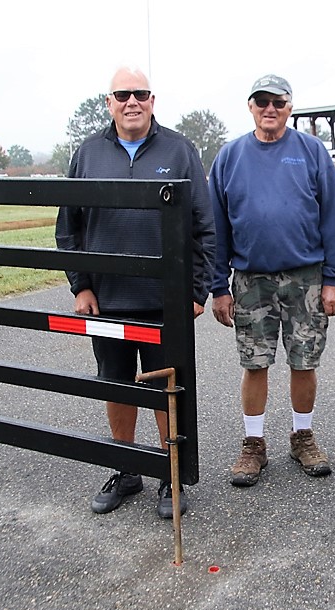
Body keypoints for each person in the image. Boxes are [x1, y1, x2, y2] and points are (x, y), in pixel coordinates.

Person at [55, 66, 215, 519]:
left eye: (140, 94)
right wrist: (81, 285)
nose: (132, 101)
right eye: (122, 94)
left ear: (152, 99)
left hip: (166, 301)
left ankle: (171, 473)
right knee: (116, 384)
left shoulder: (180, 150)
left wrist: (197, 290)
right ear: (108, 102)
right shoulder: (87, 154)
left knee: (167, 386)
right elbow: (70, 227)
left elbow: (204, 227)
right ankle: (126, 469)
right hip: (108, 300)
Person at [209, 74, 335, 488]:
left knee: (304, 360)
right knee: (255, 362)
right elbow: (216, 226)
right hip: (251, 279)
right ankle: (254, 444)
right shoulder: (230, 156)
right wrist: (218, 286)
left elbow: (332, 217)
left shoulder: (311, 152)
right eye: (262, 101)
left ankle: (302, 435)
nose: (270, 109)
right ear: (250, 106)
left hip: (306, 276)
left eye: (279, 102)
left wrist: (333, 279)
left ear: (290, 107)